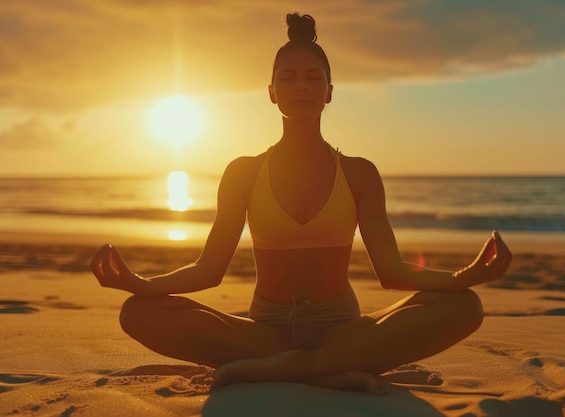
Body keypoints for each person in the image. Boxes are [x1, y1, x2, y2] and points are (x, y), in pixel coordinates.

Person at [90, 13, 512, 394]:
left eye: (313, 78)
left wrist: (465, 276)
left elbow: (392, 272)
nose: (302, 86)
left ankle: (294, 367)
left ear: (329, 91)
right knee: (137, 313)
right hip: (263, 333)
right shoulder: (243, 172)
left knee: (464, 305)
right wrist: (142, 285)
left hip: (343, 331)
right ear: (272, 92)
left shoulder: (360, 173)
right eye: (289, 78)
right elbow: (208, 270)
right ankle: (329, 371)